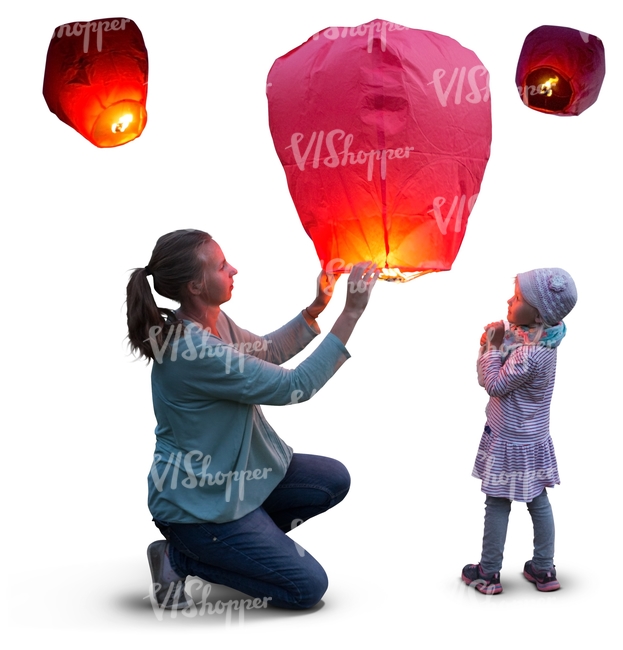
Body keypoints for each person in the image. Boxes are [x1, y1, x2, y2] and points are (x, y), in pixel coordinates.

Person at [126, 229, 379, 610]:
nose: (234, 270)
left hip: (235, 481)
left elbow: (268, 351)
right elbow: (296, 386)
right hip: (197, 508)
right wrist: (352, 312)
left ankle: (240, 546)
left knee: (332, 480)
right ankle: (179, 557)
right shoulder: (192, 349)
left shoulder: (211, 320)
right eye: (222, 265)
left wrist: (316, 308)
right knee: (307, 588)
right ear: (195, 285)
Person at [462, 267, 577, 595]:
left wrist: (490, 347)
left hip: (509, 442)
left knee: (497, 502)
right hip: (534, 439)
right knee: (538, 500)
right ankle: (544, 569)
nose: (509, 300)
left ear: (538, 312)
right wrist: (501, 337)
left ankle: (488, 572)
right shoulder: (544, 339)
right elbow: (519, 339)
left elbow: (494, 384)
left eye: (518, 297)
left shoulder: (528, 354)